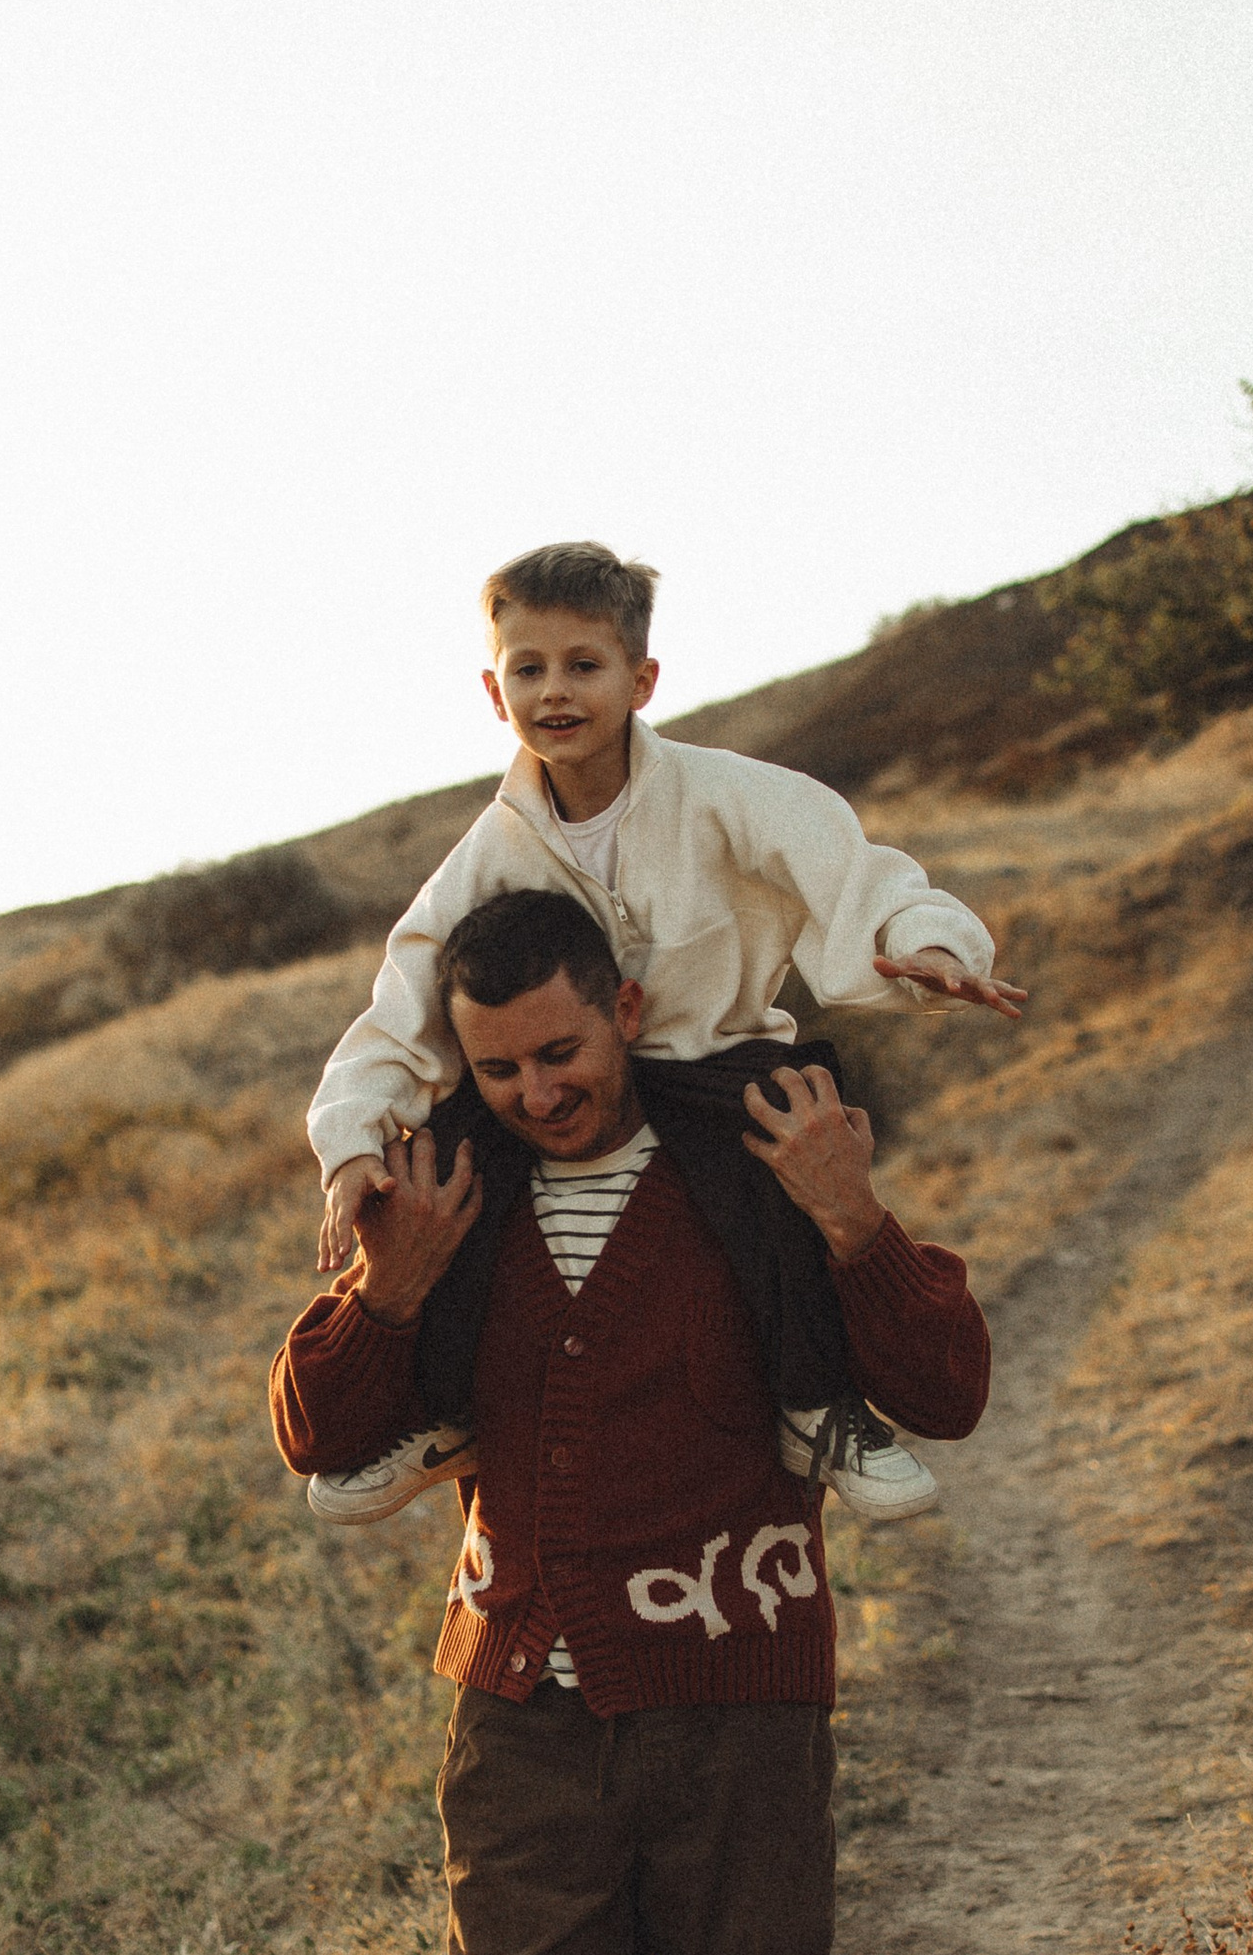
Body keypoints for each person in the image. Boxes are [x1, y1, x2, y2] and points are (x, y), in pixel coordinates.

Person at [268, 887, 992, 1955]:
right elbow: (317, 1427)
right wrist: (395, 1285)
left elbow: (946, 1383)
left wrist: (851, 1215)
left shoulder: (754, 1157)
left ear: (629, 1010)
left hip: (740, 1708)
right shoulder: (449, 1190)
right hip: (521, 1727)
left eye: (565, 1052)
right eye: (499, 1064)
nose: (536, 1091)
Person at [303, 539, 1022, 1532]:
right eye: (528, 668)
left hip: (717, 1057)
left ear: (641, 678)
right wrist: (349, 1147)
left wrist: (927, 942)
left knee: (776, 1165)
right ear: (491, 687)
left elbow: (855, 875)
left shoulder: (731, 794)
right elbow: (405, 996)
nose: (554, 691)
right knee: (454, 1165)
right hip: (570, 1072)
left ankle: (815, 1406)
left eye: (583, 665)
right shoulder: (491, 848)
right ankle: (445, 1414)